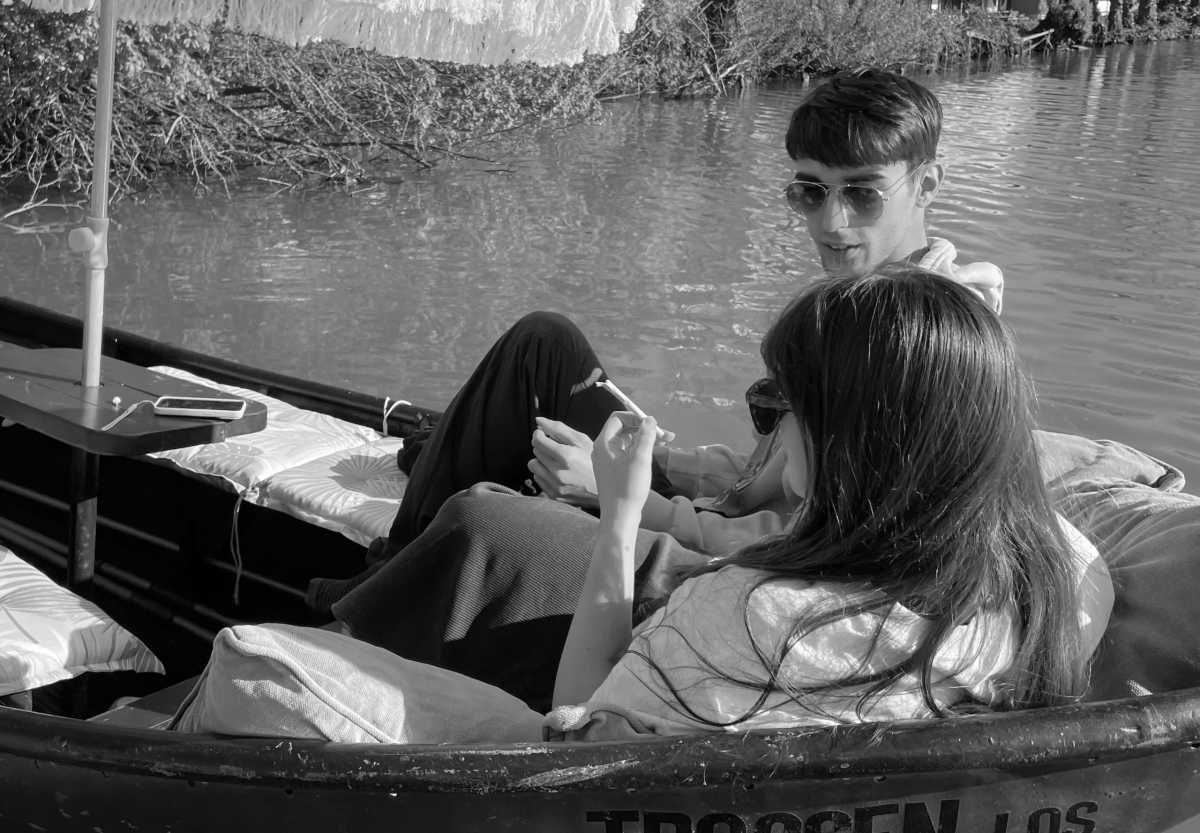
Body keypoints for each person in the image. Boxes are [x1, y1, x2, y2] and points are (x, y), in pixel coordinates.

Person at [305, 68, 1003, 615]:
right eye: (810, 193)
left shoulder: (920, 342)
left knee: (488, 511)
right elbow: (769, 476)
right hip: (713, 514)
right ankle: (390, 568)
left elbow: (815, 543)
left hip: (740, 565)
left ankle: (379, 596)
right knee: (543, 347)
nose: (832, 222)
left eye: (863, 193)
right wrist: (665, 458)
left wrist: (619, 494)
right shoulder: (858, 303)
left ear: (927, 185)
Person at [546, 269, 1110, 739]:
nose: (774, 426)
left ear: (842, 441)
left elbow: (581, 720)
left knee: (494, 518)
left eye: (779, 404)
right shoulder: (1064, 580)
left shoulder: (747, 614)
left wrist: (620, 514)